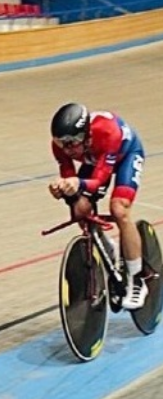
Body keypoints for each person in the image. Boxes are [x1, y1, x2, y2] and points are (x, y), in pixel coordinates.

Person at [47, 103, 150, 310]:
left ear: (86, 135)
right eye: (62, 143)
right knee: (80, 209)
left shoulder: (107, 132)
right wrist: (62, 189)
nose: (67, 149)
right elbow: (71, 180)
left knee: (119, 210)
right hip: (97, 159)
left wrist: (78, 183)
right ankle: (107, 246)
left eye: (72, 142)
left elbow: (99, 178)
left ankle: (138, 279)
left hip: (126, 155)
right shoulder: (61, 147)